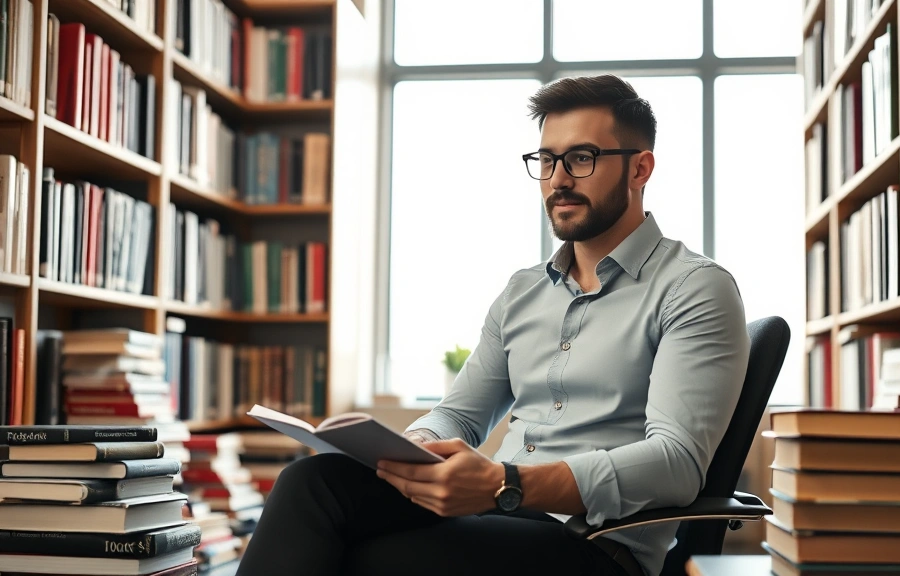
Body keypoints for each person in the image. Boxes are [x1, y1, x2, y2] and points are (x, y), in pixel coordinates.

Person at [236, 74, 750, 576]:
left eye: (582, 158)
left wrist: (508, 482)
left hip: (590, 545)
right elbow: (458, 417)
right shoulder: (523, 291)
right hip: (499, 511)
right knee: (313, 480)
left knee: (366, 557)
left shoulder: (695, 288)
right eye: (546, 160)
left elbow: (676, 463)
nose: (558, 179)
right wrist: (410, 450)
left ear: (641, 169)